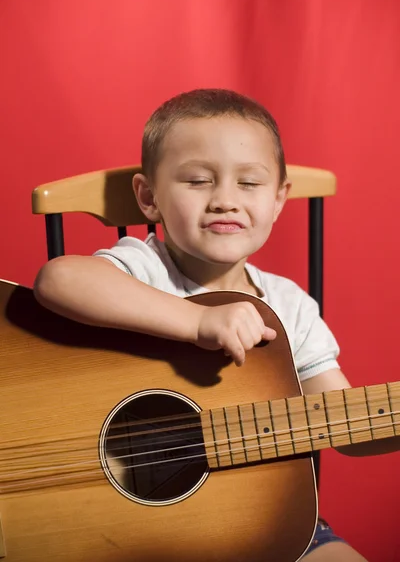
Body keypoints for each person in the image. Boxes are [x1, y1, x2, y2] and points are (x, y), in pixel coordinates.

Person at [34, 88, 399, 561]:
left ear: (278, 200)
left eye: (249, 184)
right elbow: (58, 279)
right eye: (199, 180)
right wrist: (197, 320)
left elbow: (342, 422)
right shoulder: (146, 268)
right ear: (149, 198)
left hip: (267, 521)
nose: (225, 200)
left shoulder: (289, 305)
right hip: (135, 531)